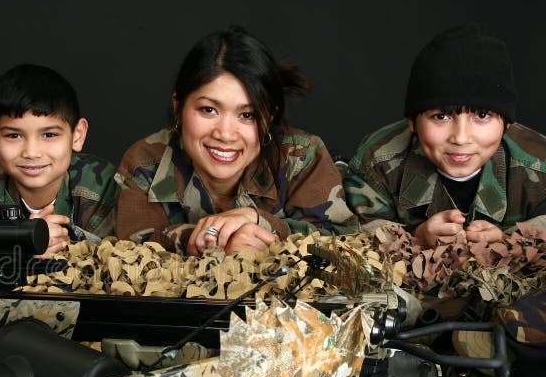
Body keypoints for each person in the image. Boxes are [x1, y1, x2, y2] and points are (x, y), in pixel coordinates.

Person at [114, 26, 356, 256]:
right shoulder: (145, 164)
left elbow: (347, 243)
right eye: (208, 110)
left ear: (269, 116)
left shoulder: (302, 157)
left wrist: (262, 225)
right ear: (178, 105)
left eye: (247, 115)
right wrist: (208, 240)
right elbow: (130, 254)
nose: (226, 134)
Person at [345, 22, 546, 248]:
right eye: (441, 117)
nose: (460, 138)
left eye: (481, 115)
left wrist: (510, 242)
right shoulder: (377, 164)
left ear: (507, 123)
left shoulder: (539, 165)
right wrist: (414, 238)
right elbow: (351, 236)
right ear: (412, 122)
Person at [0, 64, 118, 256]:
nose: (32, 152)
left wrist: (64, 243)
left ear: (77, 135)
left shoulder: (103, 187)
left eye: (49, 135)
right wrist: (19, 246)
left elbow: (121, 259)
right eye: (13, 136)